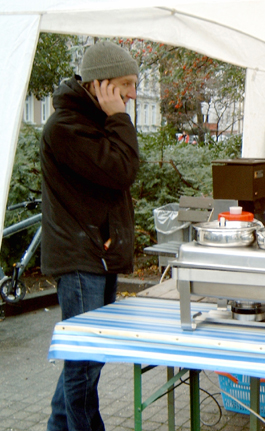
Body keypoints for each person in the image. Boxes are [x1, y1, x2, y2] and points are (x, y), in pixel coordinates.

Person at [42, 40, 140, 431]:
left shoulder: (90, 121)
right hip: (82, 259)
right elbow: (122, 170)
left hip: (97, 255)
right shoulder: (66, 127)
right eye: (127, 84)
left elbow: (120, 170)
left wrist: (115, 117)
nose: (132, 94)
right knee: (84, 362)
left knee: (84, 359)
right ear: (101, 85)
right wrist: (119, 118)